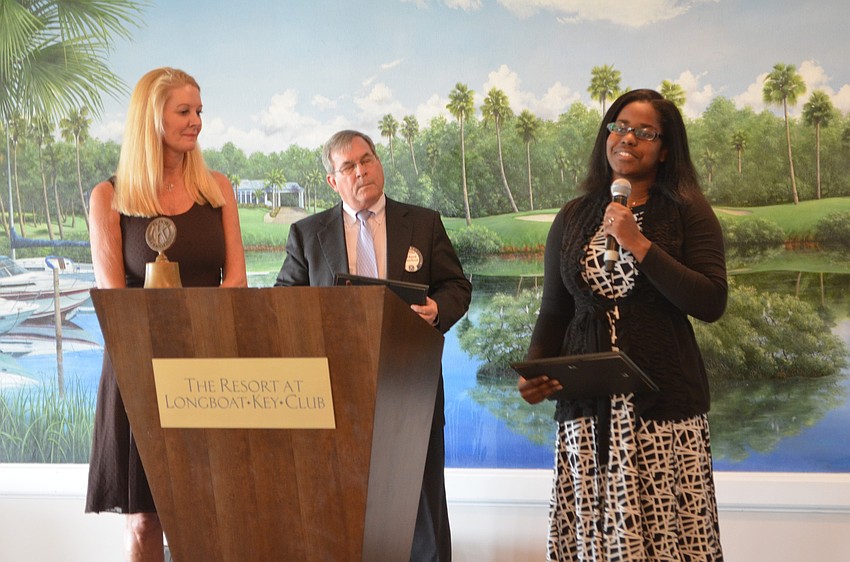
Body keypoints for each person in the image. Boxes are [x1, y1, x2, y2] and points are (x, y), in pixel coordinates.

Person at [518, 89, 727, 561]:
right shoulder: (574, 215)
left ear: (665, 149)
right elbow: (555, 309)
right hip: (587, 410)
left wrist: (638, 243)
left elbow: (711, 300)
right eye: (620, 127)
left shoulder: (687, 209)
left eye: (645, 132)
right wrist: (535, 369)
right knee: (597, 542)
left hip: (664, 410)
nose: (628, 138)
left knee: (670, 541)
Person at [275, 129, 471, 561]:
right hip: (333, 395)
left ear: (379, 163)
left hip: (410, 386)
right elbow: (284, 304)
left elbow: (457, 286)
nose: (361, 171)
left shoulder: (423, 223)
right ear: (333, 180)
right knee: (340, 514)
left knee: (424, 515)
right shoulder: (307, 234)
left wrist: (436, 309)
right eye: (348, 166)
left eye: (367, 159)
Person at [85, 67, 247, 562]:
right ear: (151, 117)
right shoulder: (109, 197)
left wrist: (199, 338)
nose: (196, 121)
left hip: (209, 366)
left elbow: (236, 281)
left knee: (211, 513)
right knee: (143, 520)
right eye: (184, 111)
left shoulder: (217, 189)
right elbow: (113, 299)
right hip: (139, 371)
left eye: (199, 111)